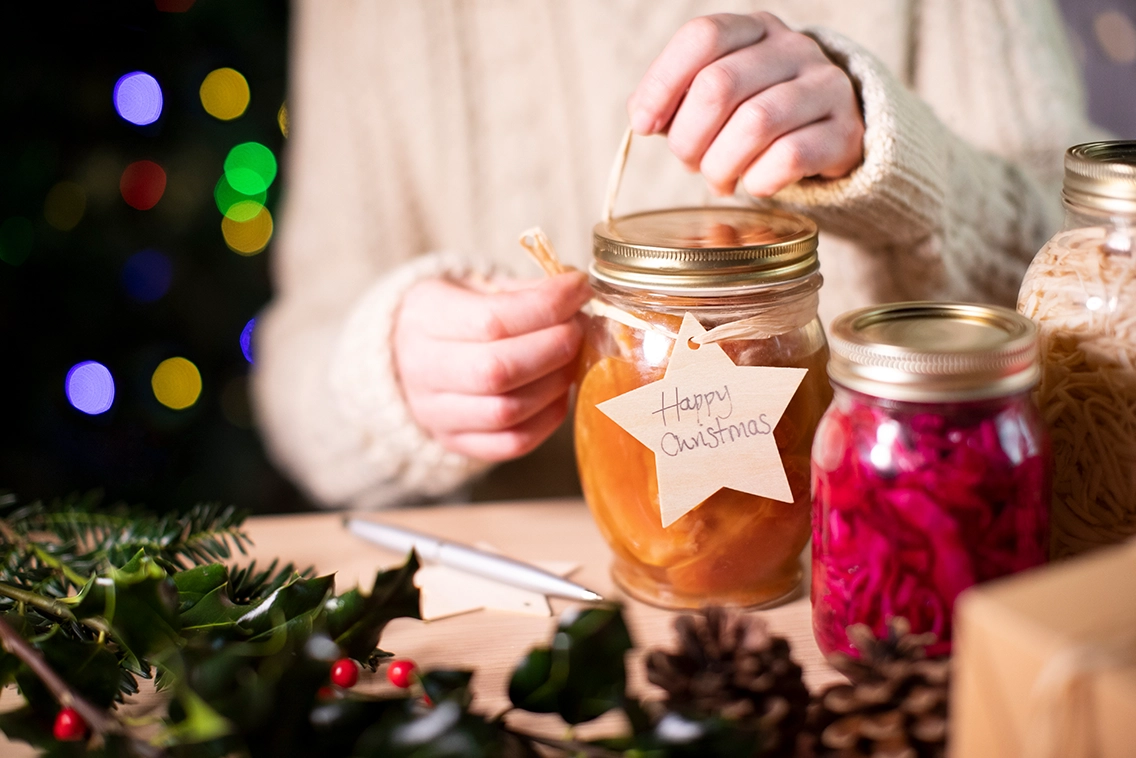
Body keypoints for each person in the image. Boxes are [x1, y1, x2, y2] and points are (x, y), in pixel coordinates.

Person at [253, 0, 1101, 510]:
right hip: (552, 608)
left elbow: (1093, 284)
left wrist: (899, 162)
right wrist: (385, 373)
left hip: (909, 573)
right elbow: (297, 361)